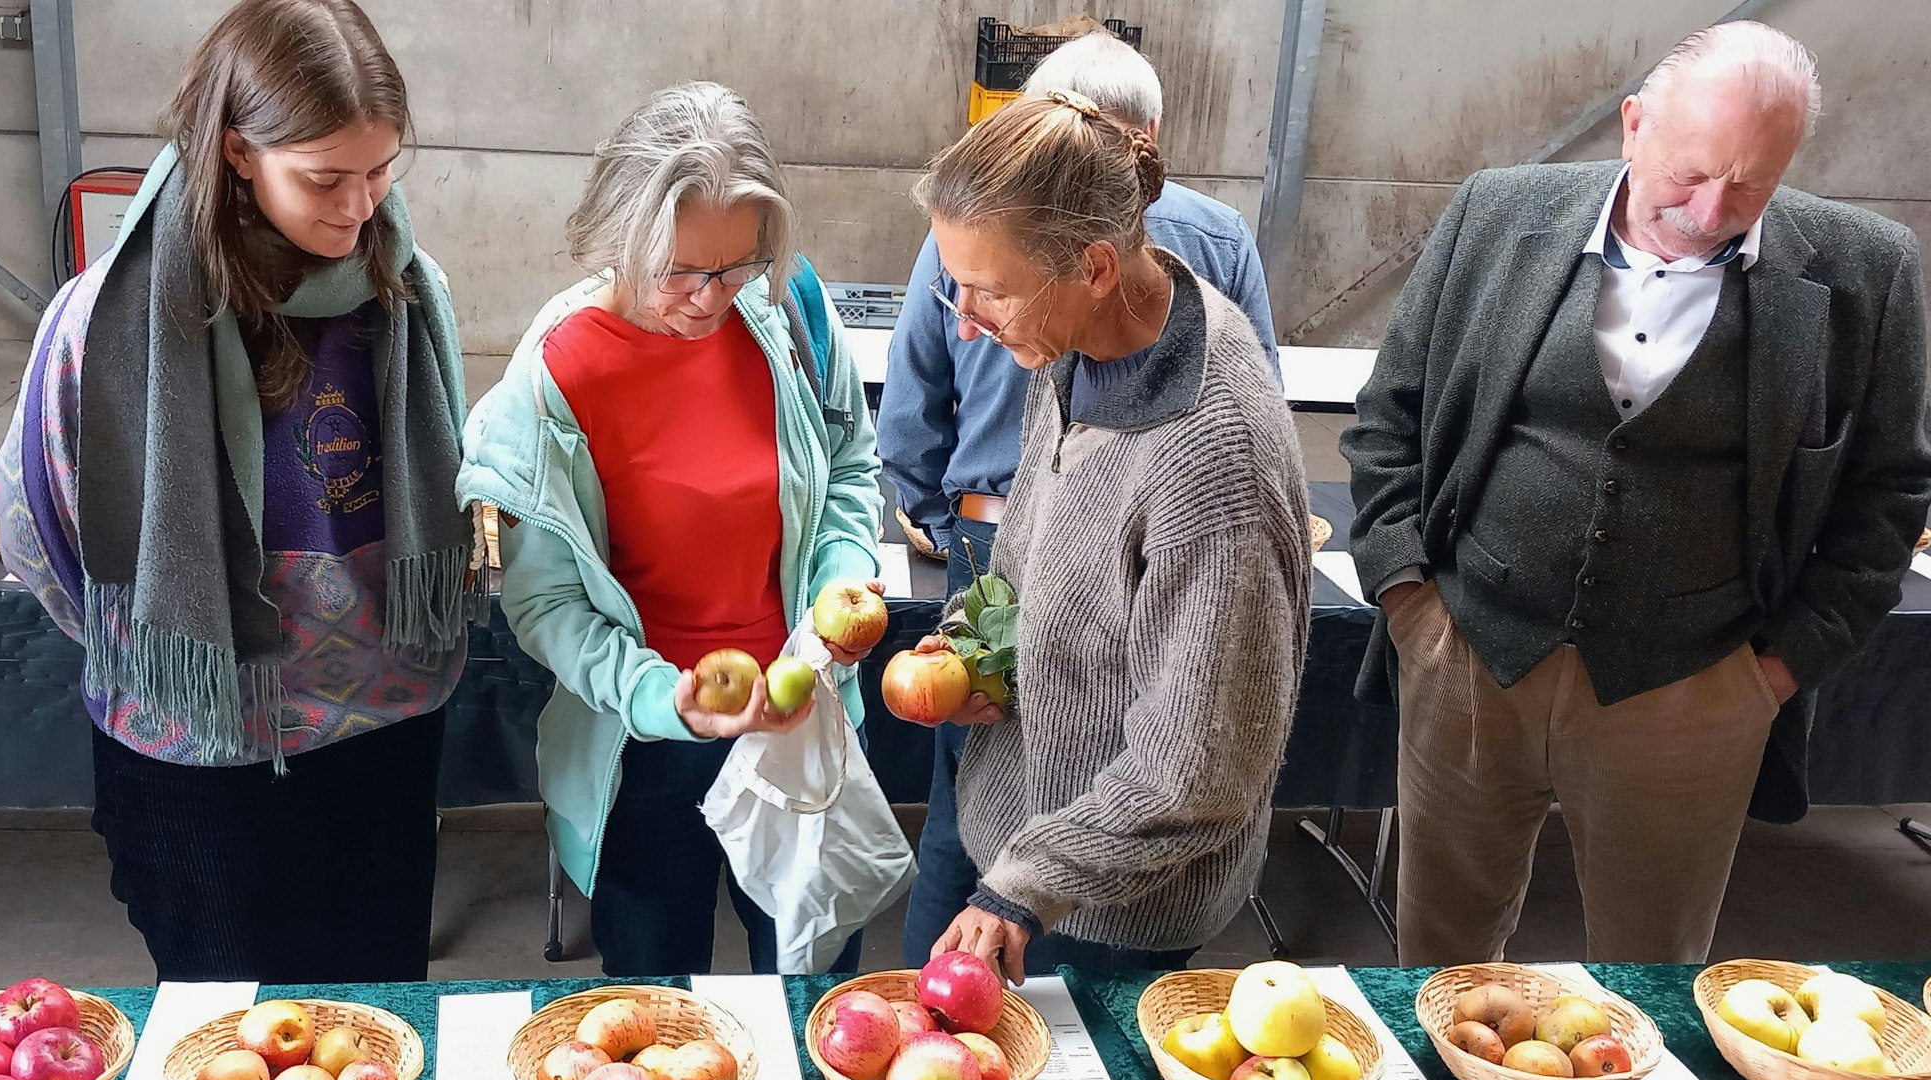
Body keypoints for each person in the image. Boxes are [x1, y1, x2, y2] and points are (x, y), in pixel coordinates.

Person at [1341, 21, 1931, 965]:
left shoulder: (1866, 269)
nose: (1707, 211)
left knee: (1652, 973)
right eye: (1689, 174)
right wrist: (1412, 604)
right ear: (1632, 124)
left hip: (1693, 690)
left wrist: (1768, 678)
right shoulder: (1495, 213)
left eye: (1750, 186)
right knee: (1438, 964)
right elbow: (1388, 420)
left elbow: (1889, 497)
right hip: (1471, 657)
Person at [0, 0, 478, 983]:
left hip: (382, 742)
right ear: (238, 153)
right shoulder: (109, 320)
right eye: (324, 179)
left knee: (376, 1024)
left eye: (381, 172)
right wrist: (187, 648)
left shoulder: (405, 294)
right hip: (197, 762)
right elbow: (35, 529)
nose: (358, 207)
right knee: (223, 1043)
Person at [457, 81, 885, 977]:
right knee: (660, 1019)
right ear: (618, 234)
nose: (709, 298)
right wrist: (664, 698)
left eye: (733, 268)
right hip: (642, 750)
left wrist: (838, 577)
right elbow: (546, 606)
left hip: (799, 726)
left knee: (817, 998)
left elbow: (848, 463)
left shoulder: (787, 308)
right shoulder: (557, 378)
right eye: (680, 270)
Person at [888, 29, 1284, 966]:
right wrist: (978, 650)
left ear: (1096, 266)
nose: (967, 328)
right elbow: (1029, 554)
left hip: (1103, 899)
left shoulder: (1211, 454)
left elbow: (1201, 765)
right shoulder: (1073, 339)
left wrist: (1026, 888)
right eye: (955, 292)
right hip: (1005, 817)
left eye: (987, 294)